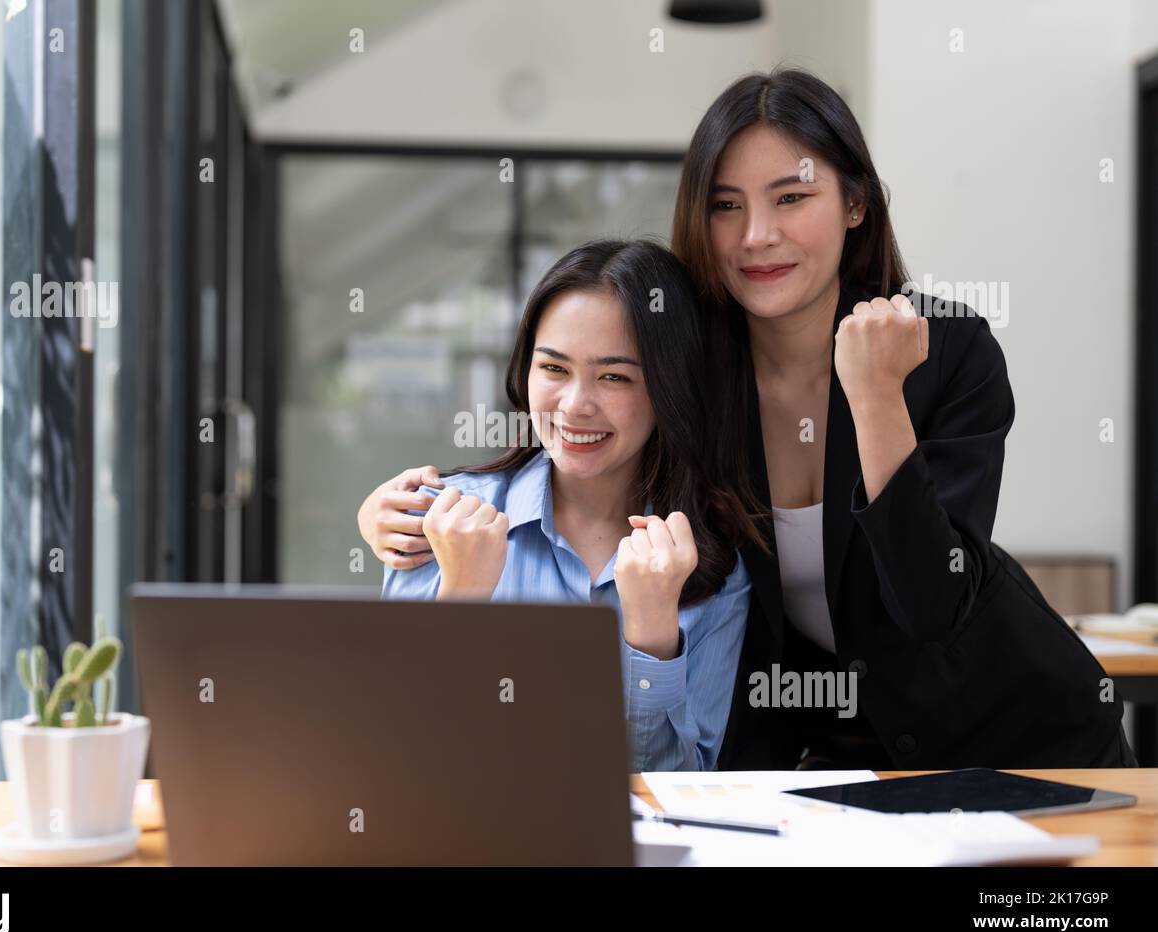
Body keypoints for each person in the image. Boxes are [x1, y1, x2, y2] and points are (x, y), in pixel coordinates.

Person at [362, 68, 1136, 771]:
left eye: (791, 198)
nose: (755, 235)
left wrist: (873, 399)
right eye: (726, 205)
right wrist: (404, 513)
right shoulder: (696, 363)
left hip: (1014, 728)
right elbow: (585, 434)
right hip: (827, 753)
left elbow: (933, 600)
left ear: (855, 202)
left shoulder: (943, 349)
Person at [381, 239, 758, 772]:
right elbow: (396, 756)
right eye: (554, 369)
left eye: (614, 377)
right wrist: (460, 600)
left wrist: (652, 634)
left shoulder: (708, 564)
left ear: (669, 389)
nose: (576, 405)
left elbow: (675, 786)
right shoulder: (438, 524)